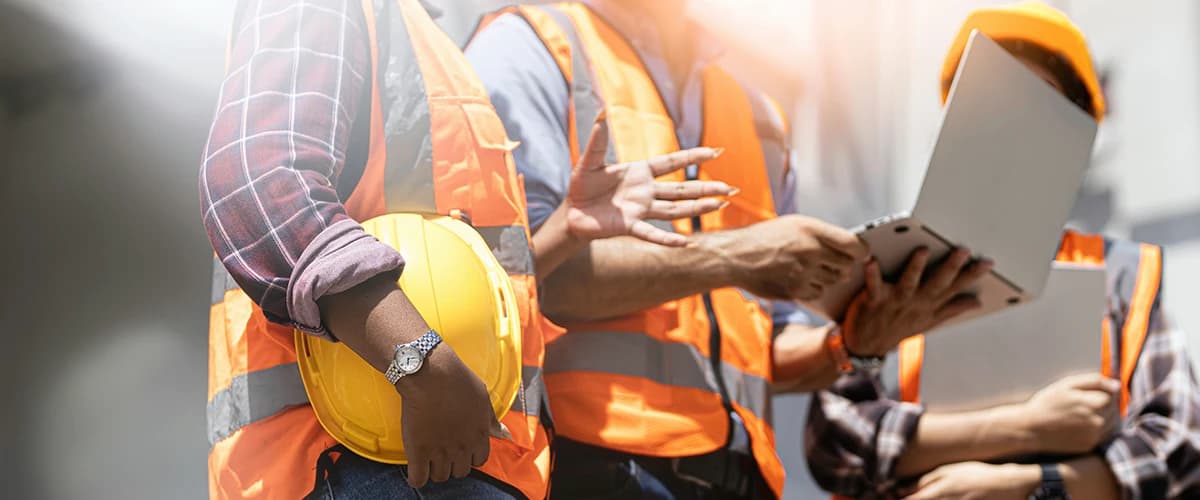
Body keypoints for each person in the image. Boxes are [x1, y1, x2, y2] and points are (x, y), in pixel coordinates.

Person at [199, 0, 738, 498]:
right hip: (360, 459)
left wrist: (564, 231)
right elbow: (259, 180)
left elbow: (450, 275)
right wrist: (418, 363)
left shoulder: (428, 41)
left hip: (443, 463)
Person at [466, 1, 989, 497]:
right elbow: (520, 279)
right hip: (591, 467)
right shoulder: (529, 48)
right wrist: (735, 257)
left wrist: (854, 343)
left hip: (743, 478)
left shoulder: (760, 117)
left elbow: (768, 349)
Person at [805, 3, 1200, 499]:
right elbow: (834, 443)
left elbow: (1179, 451)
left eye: (1035, 101)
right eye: (989, 97)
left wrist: (1023, 486)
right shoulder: (891, 266)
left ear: (1075, 138)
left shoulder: (1123, 274)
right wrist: (1029, 426)